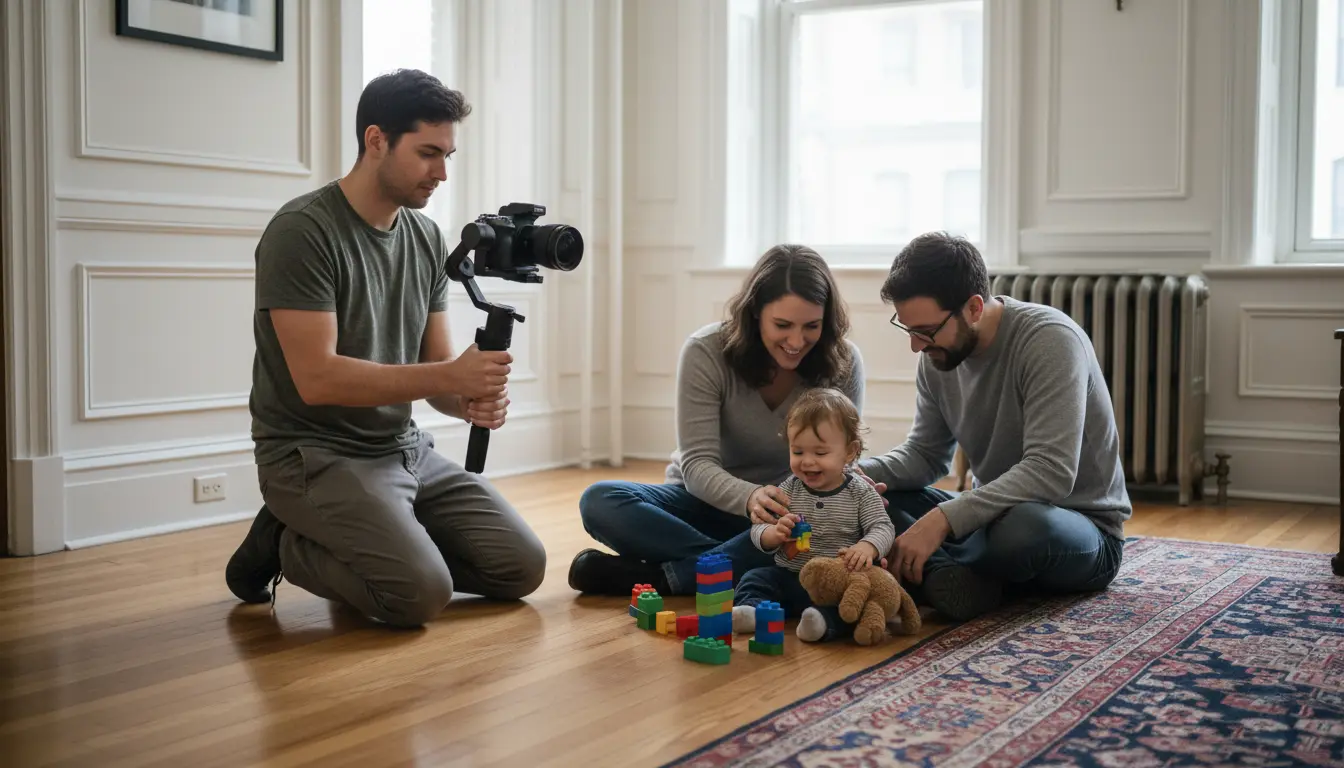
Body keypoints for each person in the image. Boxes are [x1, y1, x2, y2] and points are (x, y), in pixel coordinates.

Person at [223, 69, 546, 628]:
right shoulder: (302, 231)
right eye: (427, 153)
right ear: (376, 141)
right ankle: (283, 542)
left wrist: (466, 398)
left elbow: (436, 375)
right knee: (418, 596)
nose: (442, 173)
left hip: (402, 448)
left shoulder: (425, 237)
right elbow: (317, 379)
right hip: (312, 453)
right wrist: (452, 376)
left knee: (520, 569)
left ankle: (386, 544)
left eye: (447, 155)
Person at [853, 231, 1131, 622]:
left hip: (1077, 529)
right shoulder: (937, 358)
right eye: (908, 329)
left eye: (926, 332)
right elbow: (925, 456)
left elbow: (1052, 472)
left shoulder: (1050, 340)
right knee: (878, 502)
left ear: (973, 308)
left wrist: (943, 521)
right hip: (987, 519)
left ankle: (936, 572)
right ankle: (956, 578)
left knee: (1023, 529)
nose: (916, 346)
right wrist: (852, 476)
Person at [566, 245, 866, 596]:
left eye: (811, 326)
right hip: (702, 504)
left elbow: (840, 458)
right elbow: (697, 465)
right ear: (755, 313)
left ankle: (671, 578)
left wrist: (848, 483)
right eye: (782, 325)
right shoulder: (706, 351)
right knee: (600, 500)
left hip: (789, 515)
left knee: (859, 523)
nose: (797, 341)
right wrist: (751, 497)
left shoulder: (843, 361)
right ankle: (745, 564)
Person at [729, 387, 895, 643]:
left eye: (820, 453)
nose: (807, 462)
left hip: (836, 584)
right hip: (791, 576)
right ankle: (753, 611)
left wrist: (867, 546)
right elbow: (758, 529)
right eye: (798, 452)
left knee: (853, 603)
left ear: (849, 452)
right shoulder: (789, 489)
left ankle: (820, 623)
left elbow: (883, 527)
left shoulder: (860, 493)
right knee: (756, 578)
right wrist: (773, 534)